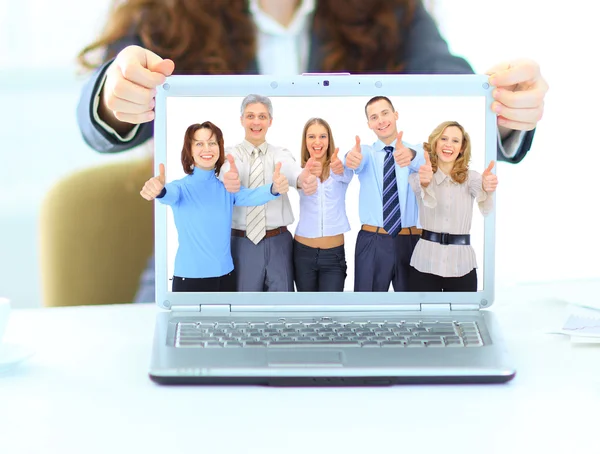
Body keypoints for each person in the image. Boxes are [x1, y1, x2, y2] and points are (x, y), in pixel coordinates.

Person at [76, 0, 548, 301]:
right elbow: (101, 106)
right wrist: (115, 97)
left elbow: (447, 79)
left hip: (304, 248)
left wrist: (500, 112)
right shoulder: (165, 10)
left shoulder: (392, 10)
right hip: (201, 262)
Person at [139, 121, 289, 292]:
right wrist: (158, 190)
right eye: (199, 144)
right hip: (189, 280)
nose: (207, 149)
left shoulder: (225, 189)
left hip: (225, 278)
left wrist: (274, 188)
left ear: (219, 147)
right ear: (190, 150)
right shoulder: (180, 188)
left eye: (212, 143)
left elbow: (250, 196)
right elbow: (167, 193)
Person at [218, 94, 318, 292]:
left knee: (282, 307)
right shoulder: (229, 155)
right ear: (241, 120)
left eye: (262, 116)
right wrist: (228, 179)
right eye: (250, 116)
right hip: (241, 242)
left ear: (270, 121)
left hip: (278, 243)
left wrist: (301, 179)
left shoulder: (280, 153)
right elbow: (226, 172)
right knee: (245, 306)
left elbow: (290, 169)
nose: (256, 122)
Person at [345, 96, 425, 291]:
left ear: (395, 115)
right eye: (374, 117)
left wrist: (410, 155)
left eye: (385, 113)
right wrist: (351, 158)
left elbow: (422, 158)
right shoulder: (367, 153)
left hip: (411, 240)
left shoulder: (416, 150)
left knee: (412, 308)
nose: (380, 120)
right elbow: (354, 157)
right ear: (369, 124)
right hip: (373, 241)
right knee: (367, 308)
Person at [407, 120, 497, 292]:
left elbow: (484, 202)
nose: (449, 145)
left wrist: (487, 187)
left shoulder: (472, 178)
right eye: (444, 139)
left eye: (455, 141)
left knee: (462, 316)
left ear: (462, 148)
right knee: (424, 318)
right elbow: (425, 196)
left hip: (462, 264)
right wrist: (425, 183)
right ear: (435, 143)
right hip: (425, 263)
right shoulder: (419, 177)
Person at [293, 118, 353, 292]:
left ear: (329, 140)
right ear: (305, 141)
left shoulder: (339, 170)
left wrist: (340, 167)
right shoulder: (299, 171)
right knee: (306, 312)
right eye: (311, 136)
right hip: (303, 253)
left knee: (331, 313)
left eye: (322, 136)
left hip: (333, 255)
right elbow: (296, 180)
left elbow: (348, 170)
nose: (317, 142)